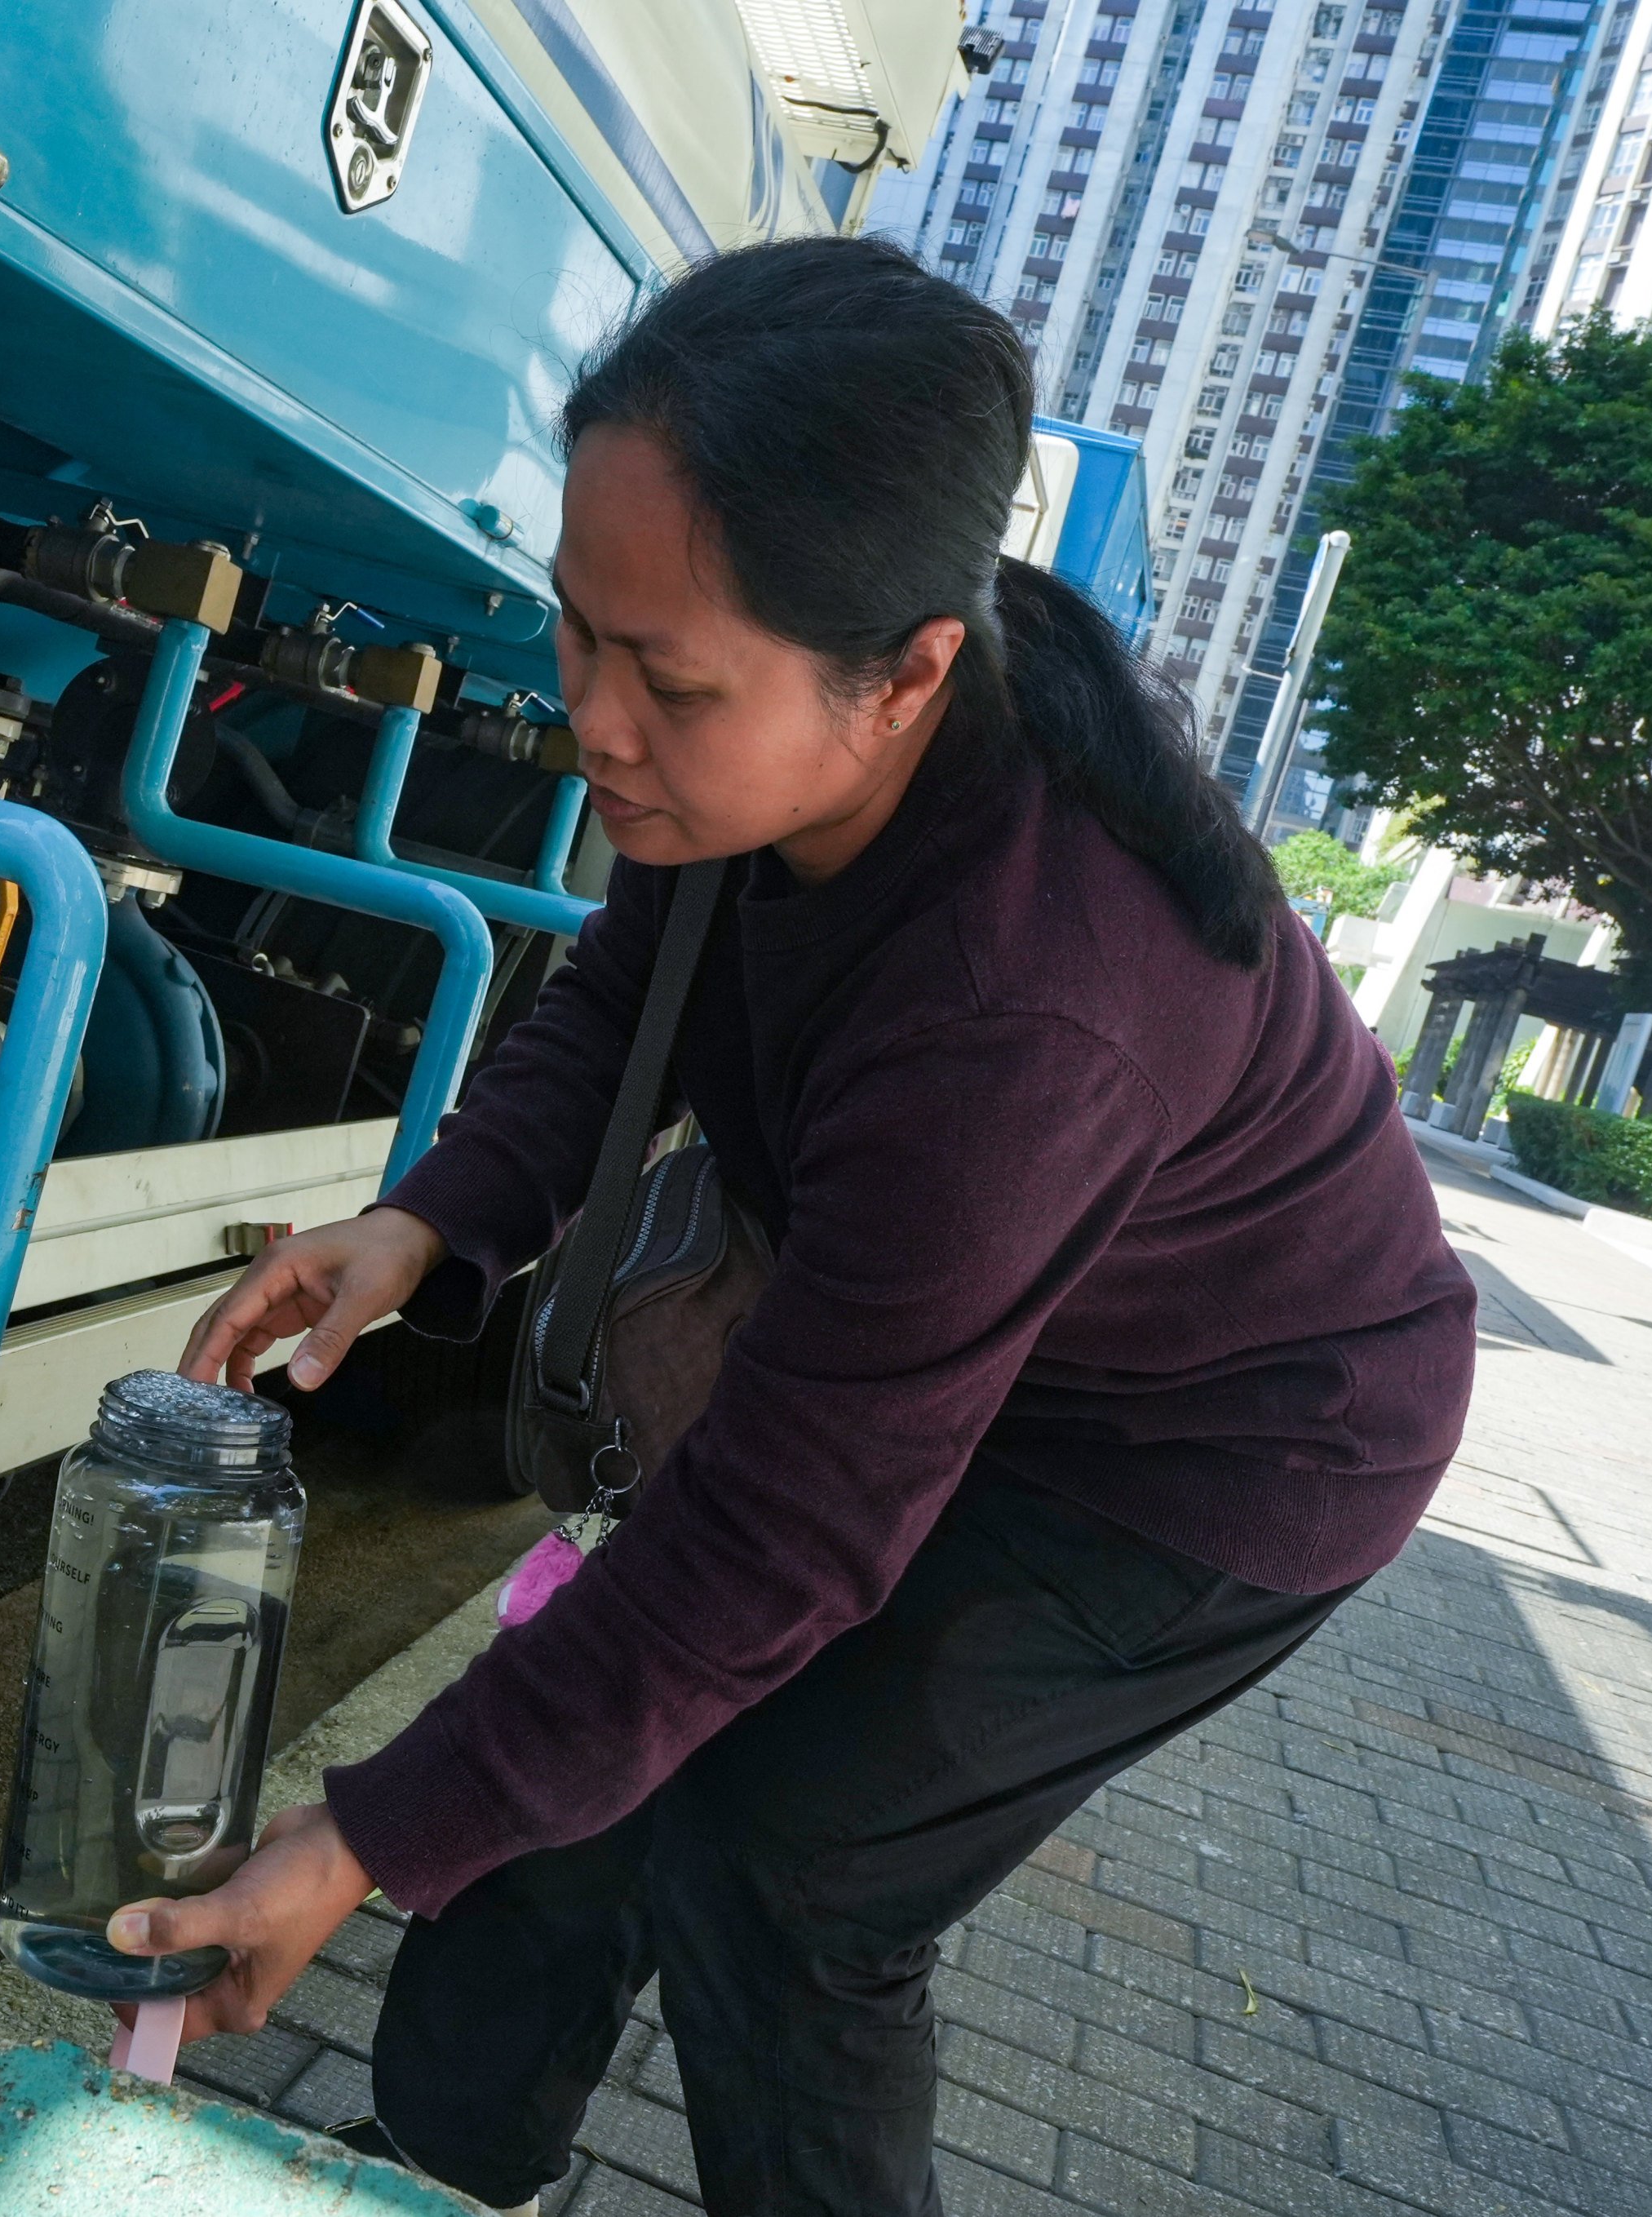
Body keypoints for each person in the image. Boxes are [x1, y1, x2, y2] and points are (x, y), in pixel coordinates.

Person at [108, 237, 1477, 2215]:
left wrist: (348, 1840)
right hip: (959, 1353)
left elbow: (784, 1537)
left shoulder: (1025, 1005)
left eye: (664, 679)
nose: (592, 721)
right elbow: (623, 996)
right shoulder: (774, 758)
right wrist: (431, 1223)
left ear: (908, 669)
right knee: (573, 1763)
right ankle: (431, 2169)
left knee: (786, 1872)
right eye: (574, 632)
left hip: (1212, 1451)